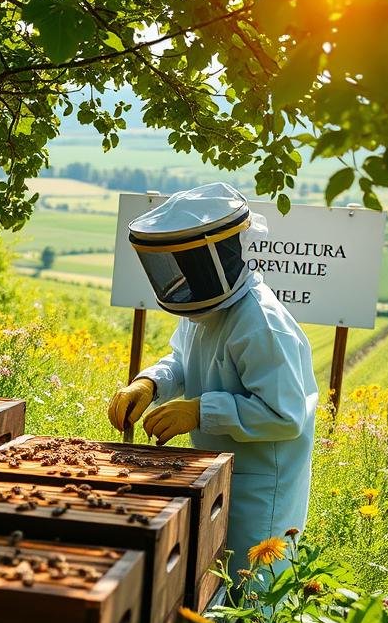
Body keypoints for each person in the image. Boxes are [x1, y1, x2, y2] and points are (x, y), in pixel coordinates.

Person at [107, 182, 319, 579]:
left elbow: (286, 415)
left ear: (217, 255)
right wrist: (151, 383)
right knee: (210, 589)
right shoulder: (206, 310)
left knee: (251, 599)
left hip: (259, 491)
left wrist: (202, 410)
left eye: (186, 261)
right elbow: (184, 361)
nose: (180, 273)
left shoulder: (262, 324)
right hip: (215, 474)